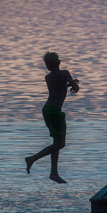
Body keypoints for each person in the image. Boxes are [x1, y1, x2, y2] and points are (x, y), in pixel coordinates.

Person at [25, 52, 79, 184]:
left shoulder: (48, 77)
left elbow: (57, 90)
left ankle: (54, 173)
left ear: (47, 67)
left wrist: (68, 85)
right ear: (59, 62)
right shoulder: (64, 73)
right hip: (55, 112)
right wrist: (74, 83)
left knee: (56, 143)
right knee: (60, 144)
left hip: (47, 110)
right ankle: (32, 159)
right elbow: (76, 88)